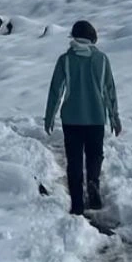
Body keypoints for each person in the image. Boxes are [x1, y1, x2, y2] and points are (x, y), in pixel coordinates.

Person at [44, 20, 122, 216]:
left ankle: (77, 204)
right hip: (96, 117)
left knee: (74, 160)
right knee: (95, 155)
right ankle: (93, 182)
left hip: (71, 118)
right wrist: (114, 117)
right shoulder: (102, 59)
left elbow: (56, 90)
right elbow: (109, 90)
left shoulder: (65, 60)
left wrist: (49, 116)